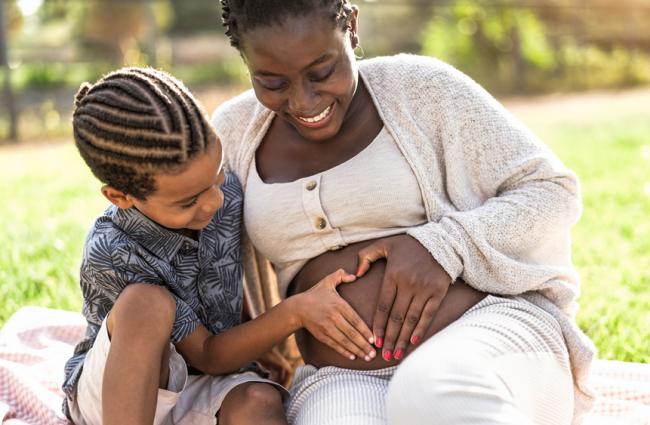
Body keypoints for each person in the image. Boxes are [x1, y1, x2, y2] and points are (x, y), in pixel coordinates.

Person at [212, 1, 597, 424]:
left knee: (428, 393)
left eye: (322, 72)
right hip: (340, 375)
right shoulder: (233, 132)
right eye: (272, 82)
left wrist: (441, 246)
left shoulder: (420, 87)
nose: (303, 100)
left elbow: (551, 190)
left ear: (351, 29)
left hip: (488, 334)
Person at [62, 67, 379, 425]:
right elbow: (209, 354)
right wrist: (297, 311)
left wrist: (259, 343)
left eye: (216, 178)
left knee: (259, 399)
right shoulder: (112, 249)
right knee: (147, 304)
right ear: (120, 197)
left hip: (201, 385)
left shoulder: (224, 196)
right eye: (188, 202)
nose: (213, 202)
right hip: (115, 401)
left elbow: (219, 282)